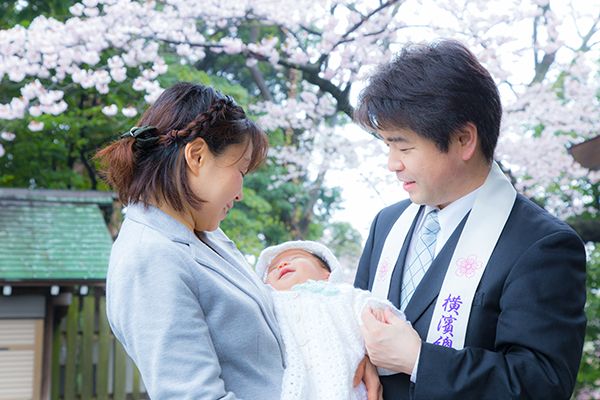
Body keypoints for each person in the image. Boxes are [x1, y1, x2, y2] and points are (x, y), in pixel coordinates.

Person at [96, 82, 379, 399]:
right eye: (241, 171)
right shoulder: (150, 257)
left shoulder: (202, 232)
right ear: (197, 156)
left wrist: (346, 356)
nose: (241, 193)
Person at [352, 40, 587, 399]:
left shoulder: (541, 245)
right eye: (387, 146)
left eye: (404, 146)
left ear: (464, 139)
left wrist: (419, 360)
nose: (392, 164)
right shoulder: (387, 224)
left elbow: (543, 383)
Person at [256, 240, 401, 400]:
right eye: (273, 268)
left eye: (295, 258)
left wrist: (378, 313)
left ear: (327, 274)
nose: (282, 265)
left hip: (344, 384)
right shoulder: (270, 306)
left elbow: (370, 307)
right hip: (293, 388)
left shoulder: (341, 295)